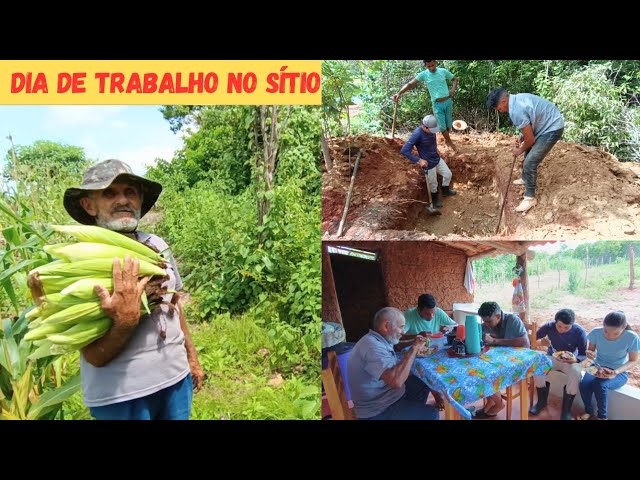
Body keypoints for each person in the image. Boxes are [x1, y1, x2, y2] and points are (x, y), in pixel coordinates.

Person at [63, 159, 204, 420]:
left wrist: (191, 358)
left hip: (175, 381)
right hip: (121, 396)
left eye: (130, 192)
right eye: (110, 193)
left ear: (139, 201)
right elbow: (93, 355)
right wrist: (125, 321)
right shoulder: (80, 261)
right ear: (88, 205)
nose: (123, 200)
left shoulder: (156, 244)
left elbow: (175, 303)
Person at [346, 307, 440, 420]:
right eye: (401, 327)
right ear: (386, 326)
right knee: (432, 414)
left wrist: (414, 341)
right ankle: (411, 412)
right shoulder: (372, 347)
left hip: (387, 396)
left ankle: (412, 411)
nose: (403, 332)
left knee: (422, 380)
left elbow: (397, 345)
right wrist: (414, 348)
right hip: (378, 410)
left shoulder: (377, 339)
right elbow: (396, 381)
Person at [486, 88, 565, 213]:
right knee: (528, 151)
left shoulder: (516, 111)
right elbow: (530, 123)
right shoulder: (517, 99)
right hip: (544, 124)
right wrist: (522, 137)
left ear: (504, 101)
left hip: (552, 127)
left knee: (530, 161)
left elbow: (530, 141)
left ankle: (529, 198)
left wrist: (520, 150)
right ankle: (525, 178)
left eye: (497, 107)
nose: (498, 110)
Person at [578, 311, 639, 420]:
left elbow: (633, 361)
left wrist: (616, 372)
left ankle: (602, 417)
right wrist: (590, 353)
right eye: (606, 331)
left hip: (619, 371)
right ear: (603, 325)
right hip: (597, 366)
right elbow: (591, 352)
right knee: (584, 385)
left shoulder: (632, 337)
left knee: (600, 385)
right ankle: (588, 411)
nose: (610, 336)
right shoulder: (596, 332)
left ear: (624, 327)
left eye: (615, 333)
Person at [529, 308, 587, 420]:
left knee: (575, 374)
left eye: (566, 327)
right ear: (555, 322)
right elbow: (533, 339)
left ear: (572, 324)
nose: (562, 330)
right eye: (559, 326)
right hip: (552, 356)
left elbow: (583, 354)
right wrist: (541, 342)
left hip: (571, 360)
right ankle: (541, 402)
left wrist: (575, 360)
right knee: (538, 366)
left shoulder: (580, 332)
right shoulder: (549, 326)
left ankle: (566, 410)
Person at [474, 301, 529, 418]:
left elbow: (525, 343)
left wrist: (495, 341)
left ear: (498, 316)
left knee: (486, 375)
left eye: (489, 321)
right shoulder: (487, 324)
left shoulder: (513, 320)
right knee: (479, 371)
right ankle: (491, 400)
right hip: (499, 360)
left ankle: (498, 403)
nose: (486, 324)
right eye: (484, 321)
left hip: (516, 363)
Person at [393, 60, 459, 151]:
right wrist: (399, 93)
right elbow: (411, 84)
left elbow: (455, 79)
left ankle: (447, 141)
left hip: (448, 101)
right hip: (437, 104)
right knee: (442, 126)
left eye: (433, 65)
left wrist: (453, 89)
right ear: (425, 65)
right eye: (429, 66)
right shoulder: (424, 74)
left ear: (435, 62)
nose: (431, 68)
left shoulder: (443, 71)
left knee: (448, 125)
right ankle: (451, 144)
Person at [400, 114, 457, 209]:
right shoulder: (417, 134)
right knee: (433, 183)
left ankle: (445, 191)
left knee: (448, 174)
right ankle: (435, 200)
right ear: (424, 127)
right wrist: (419, 160)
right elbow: (404, 150)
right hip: (428, 163)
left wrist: (436, 149)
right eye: (431, 130)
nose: (433, 132)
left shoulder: (431, 129)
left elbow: (432, 141)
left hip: (436, 158)